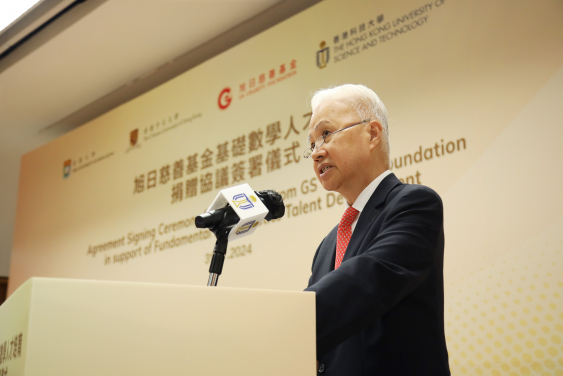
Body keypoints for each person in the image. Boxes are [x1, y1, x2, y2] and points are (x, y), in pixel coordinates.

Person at [303, 84, 450, 375]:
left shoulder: (414, 204)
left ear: (372, 134)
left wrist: (280, 322)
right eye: (311, 145)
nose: (316, 154)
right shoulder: (327, 245)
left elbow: (368, 280)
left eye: (326, 134)